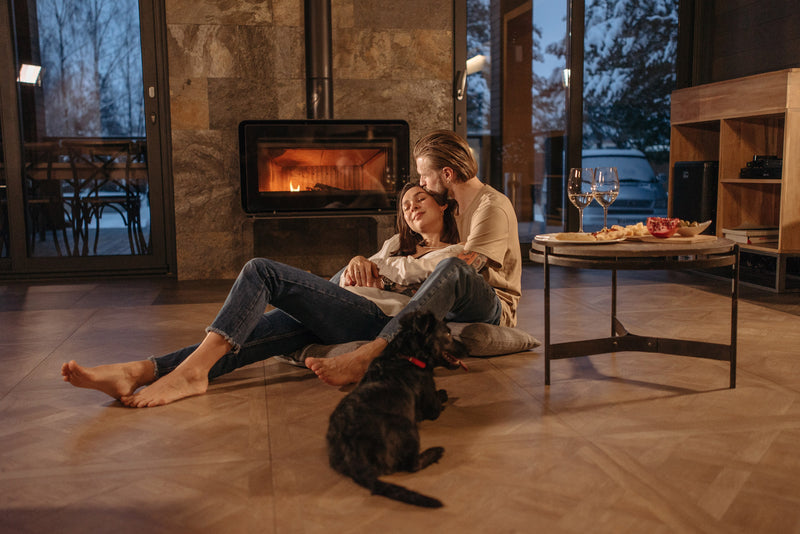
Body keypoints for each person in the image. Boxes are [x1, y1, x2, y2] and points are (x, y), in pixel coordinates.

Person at [61, 184, 463, 407]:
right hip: (346, 307)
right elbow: (363, 270)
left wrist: (369, 266)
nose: (410, 209)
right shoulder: (394, 244)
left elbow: (423, 280)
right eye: (405, 205)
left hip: (379, 321)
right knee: (246, 338)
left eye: (420, 200)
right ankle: (136, 373)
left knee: (261, 271)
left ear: (444, 206)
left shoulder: (453, 254)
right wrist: (362, 259)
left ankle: (191, 373)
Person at [306, 129, 521, 385]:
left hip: (491, 303)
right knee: (345, 274)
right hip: (449, 303)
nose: (421, 183)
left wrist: (388, 277)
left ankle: (371, 354)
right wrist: (363, 265)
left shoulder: (491, 207)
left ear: (447, 174)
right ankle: (302, 315)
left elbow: (465, 270)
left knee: (453, 267)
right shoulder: (453, 208)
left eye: (424, 176)